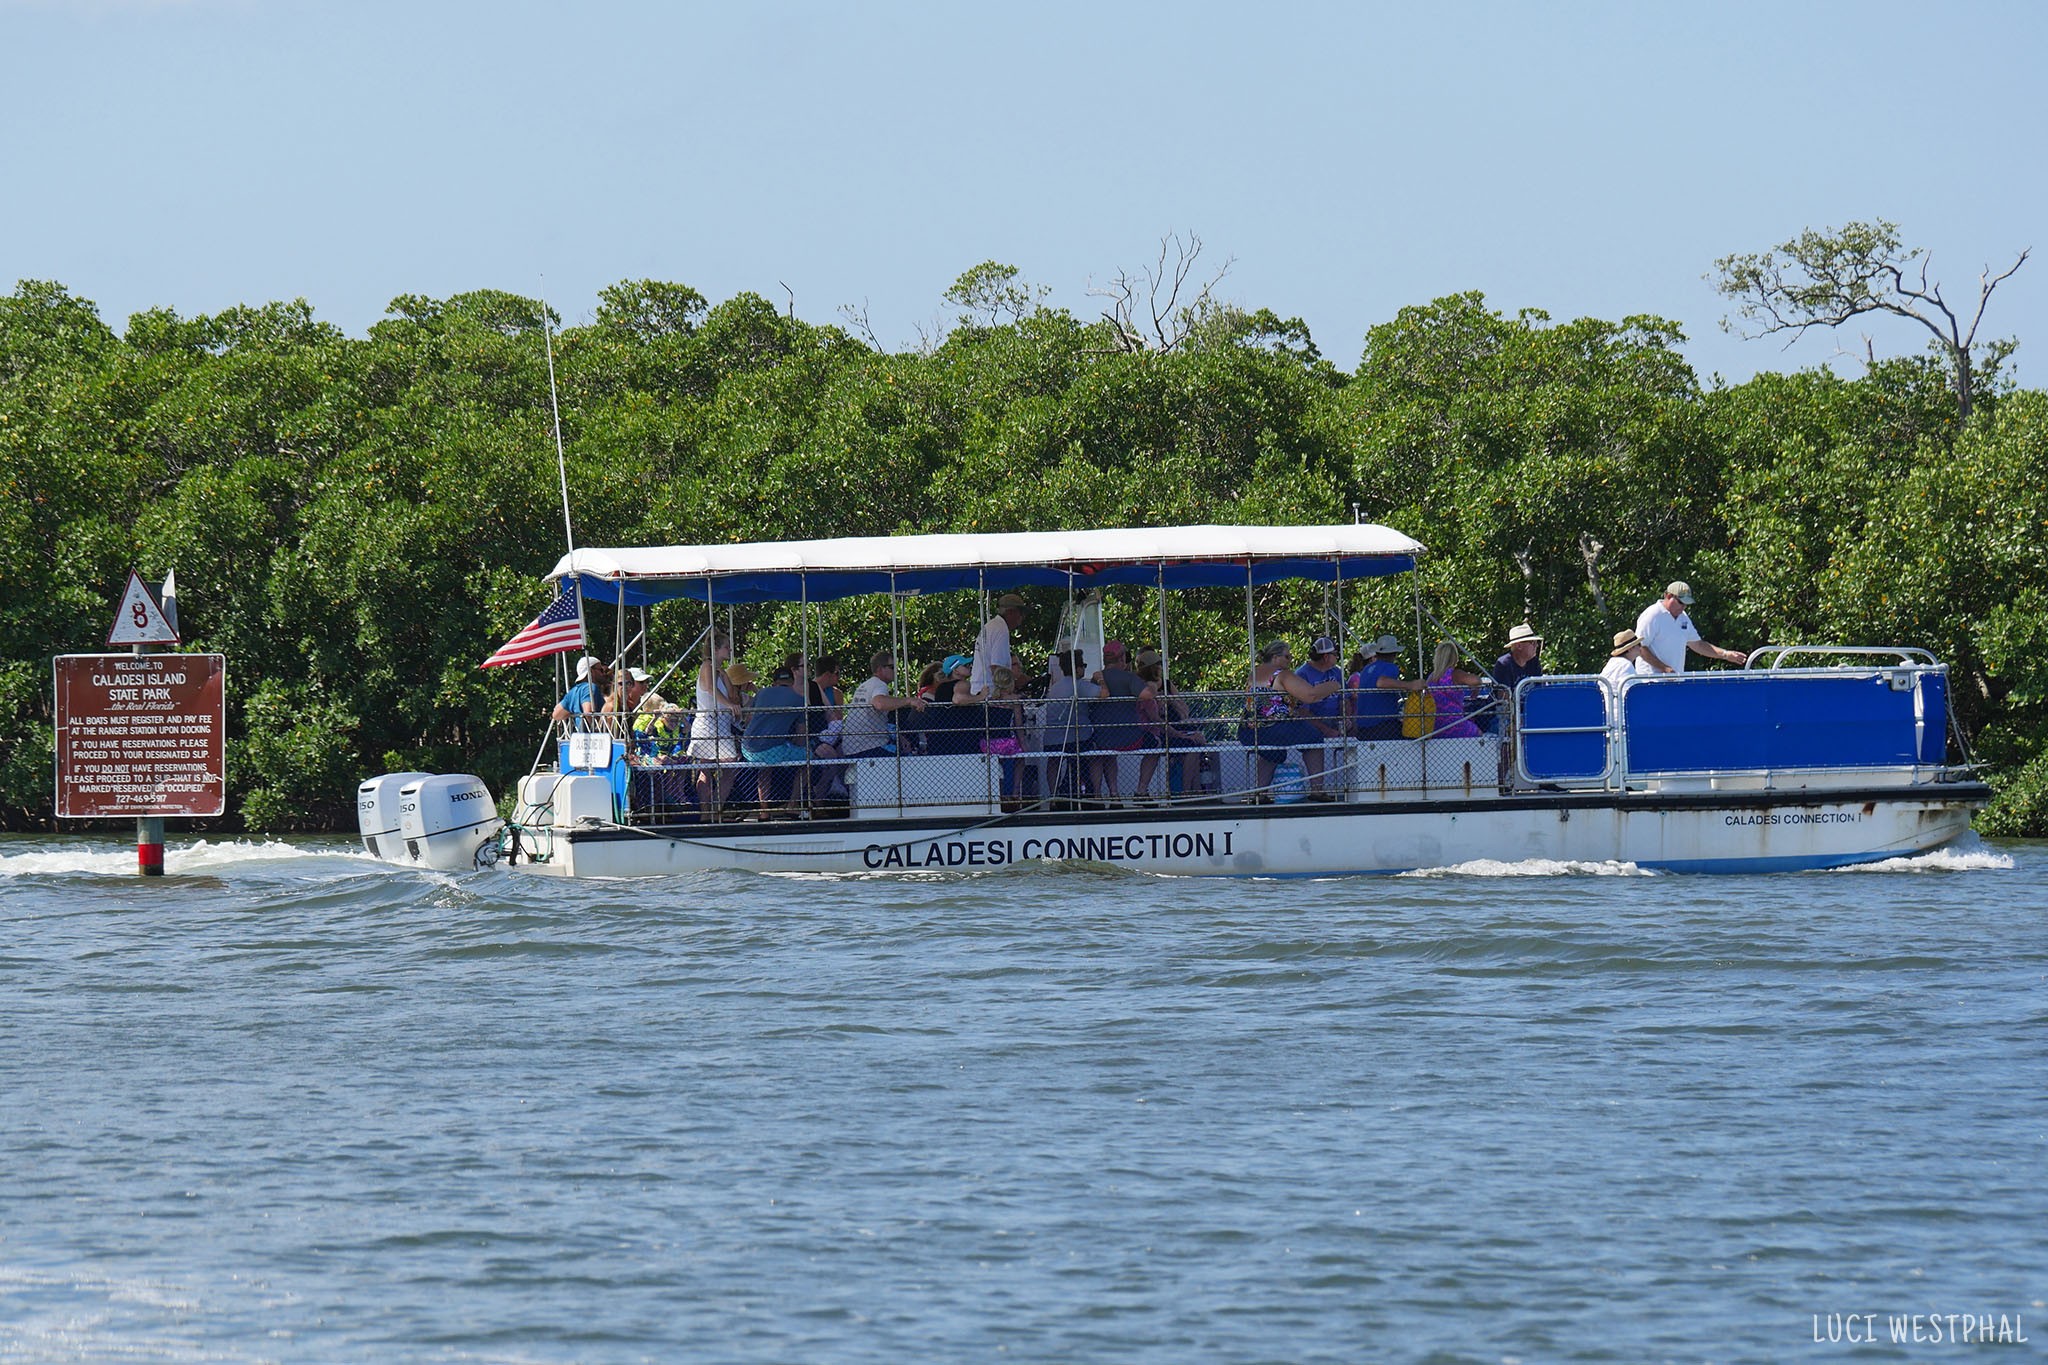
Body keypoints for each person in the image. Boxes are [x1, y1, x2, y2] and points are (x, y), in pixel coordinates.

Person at [1243, 639, 1344, 801]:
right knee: (1314, 739)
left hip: (1249, 729)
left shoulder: (1256, 673)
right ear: (1275, 658)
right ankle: (1317, 790)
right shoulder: (1282, 674)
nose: (1290, 661)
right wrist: (1334, 685)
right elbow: (1310, 695)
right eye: (1287, 657)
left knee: (1272, 752)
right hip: (1276, 726)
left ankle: (1259, 794)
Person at [1088, 640, 1153, 804]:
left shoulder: (1096, 679)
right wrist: (1153, 684)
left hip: (1103, 738)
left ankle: (1107, 794)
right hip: (1130, 737)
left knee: (1105, 754)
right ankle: (1141, 790)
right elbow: (1147, 695)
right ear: (1122, 658)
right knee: (1156, 744)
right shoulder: (1129, 678)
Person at [742, 666, 812, 816]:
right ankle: (792, 804)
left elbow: (748, 720)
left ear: (774, 682)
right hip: (770, 750)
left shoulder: (761, 693)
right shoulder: (800, 700)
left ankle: (764, 810)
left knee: (765, 768)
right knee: (809, 758)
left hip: (748, 748)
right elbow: (801, 735)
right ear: (792, 682)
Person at [1635, 581, 1747, 674]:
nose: (1683, 607)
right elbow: (1640, 648)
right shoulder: (1652, 615)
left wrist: (1726, 654)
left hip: (1675, 681)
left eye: (1686, 604)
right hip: (1650, 682)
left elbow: (1697, 644)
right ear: (1668, 596)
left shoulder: (1683, 618)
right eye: (1680, 602)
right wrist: (1664, 668)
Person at [687, 634, 742, 816]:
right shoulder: (707, 667)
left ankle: (716, 807)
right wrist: (729, 705)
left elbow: (733, 695)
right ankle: (706, 811)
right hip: (708, 722)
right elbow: (711, 688)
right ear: (716, 649)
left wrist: (725, 677)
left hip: (722, 723)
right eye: (727, 647)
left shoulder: (720, 671)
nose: (730, 650)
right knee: (706, 767)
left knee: (729, 767)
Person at [839, 651, 926, 760]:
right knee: (908, 760)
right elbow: (879, 703)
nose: (895, 670)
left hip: (853, 748)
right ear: (880, 669)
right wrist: (909, 701)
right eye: (892, 667)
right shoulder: (880, 684)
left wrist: (899, 736)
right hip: (869, 747)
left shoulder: (865, 685)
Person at [1390, 641, 1487, 737]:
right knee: (1481, 735)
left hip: (1434, 726)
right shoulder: (1455, 674)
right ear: (1454, 658)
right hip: (1453, 724)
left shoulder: (1431, 678)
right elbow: (1476, 680)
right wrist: (1475, 692)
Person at [1042, 647, 1100, 804]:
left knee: (1053, 762)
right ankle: (1096, 795)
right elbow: (1103, 694)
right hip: (1077, 738)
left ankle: (1054, 796)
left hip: (1052, 739)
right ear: (1078, 668)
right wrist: (1099, 679)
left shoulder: (1054, 688)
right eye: (1084, 666)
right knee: (1095, 756)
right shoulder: (1079, 685)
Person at [1295, 635, 1349, 763]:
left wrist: (1346, 717)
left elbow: (1344, 699)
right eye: (1335, 654)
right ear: (1326, 657)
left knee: (1357, 728)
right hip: (1314, 724)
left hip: (1336, 720)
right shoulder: (1302, 674)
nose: (1337, 657)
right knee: (1314, 740)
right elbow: (1302, 711)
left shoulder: (1337, 672)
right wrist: (1326, 730)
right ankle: (1318, 783)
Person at [1348, 635, 1405, 741]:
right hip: (1384, 725)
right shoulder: (1390, 667)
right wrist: (1410, 685)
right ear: (1394, 654)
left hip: (1364, 727)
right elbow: (1381, 682)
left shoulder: (1366, 670)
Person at [970, 593, 1026, 697]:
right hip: (990, 693)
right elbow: (997, 667)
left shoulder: (991, 625)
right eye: (1020, 613)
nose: (1021, 618)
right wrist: (1007, 692)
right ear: (1010, 612)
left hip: (979, 689)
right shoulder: (1001, 629)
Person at [551, 657, 612, 728]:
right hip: (593, 737)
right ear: (591, 671)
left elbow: (556, 715)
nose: (603, 674)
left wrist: (574, 711)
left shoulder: (573, 691)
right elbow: (588, 712)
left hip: (580, 737)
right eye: (601, 670)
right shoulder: (590, 687)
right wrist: (598, 729)